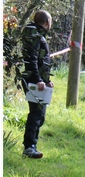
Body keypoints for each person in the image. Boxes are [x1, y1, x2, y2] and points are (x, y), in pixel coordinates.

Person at [21, 9, 54, 158]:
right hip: (34, 81)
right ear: (47, 22)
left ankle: (31, 146)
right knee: (36, 113)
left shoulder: (36, 35)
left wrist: (47, 81)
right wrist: (38, 80)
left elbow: (41, 61)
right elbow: (32, 60)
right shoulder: (35, 36)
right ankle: (29, 147)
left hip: (38, 81)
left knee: (38, 113)